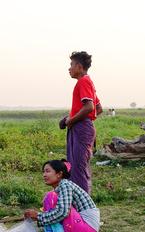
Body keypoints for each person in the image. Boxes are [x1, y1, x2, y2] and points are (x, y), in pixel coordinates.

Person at [24, 159, 100, 232]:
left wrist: (38, 216)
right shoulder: (62, 188)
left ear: (59, 174)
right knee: (52, 199)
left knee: (51, 196)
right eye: (44, 172)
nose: (44, 175)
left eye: (48, 171)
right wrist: (35, 217)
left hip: (85, 231)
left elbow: (63, 212)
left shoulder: (65, 185)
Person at [60, 51, 103, 195]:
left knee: (77, 169)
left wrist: (71, 121)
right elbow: (99, 108)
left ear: (79, 66)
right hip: (83, 127)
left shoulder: (83, 82)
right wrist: (71, 118)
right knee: (77, 167)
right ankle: (80, 205)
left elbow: (90, 107)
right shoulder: (88, 82)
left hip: (81, 129)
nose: (69, 68)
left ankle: (83, 209)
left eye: (71, 65)